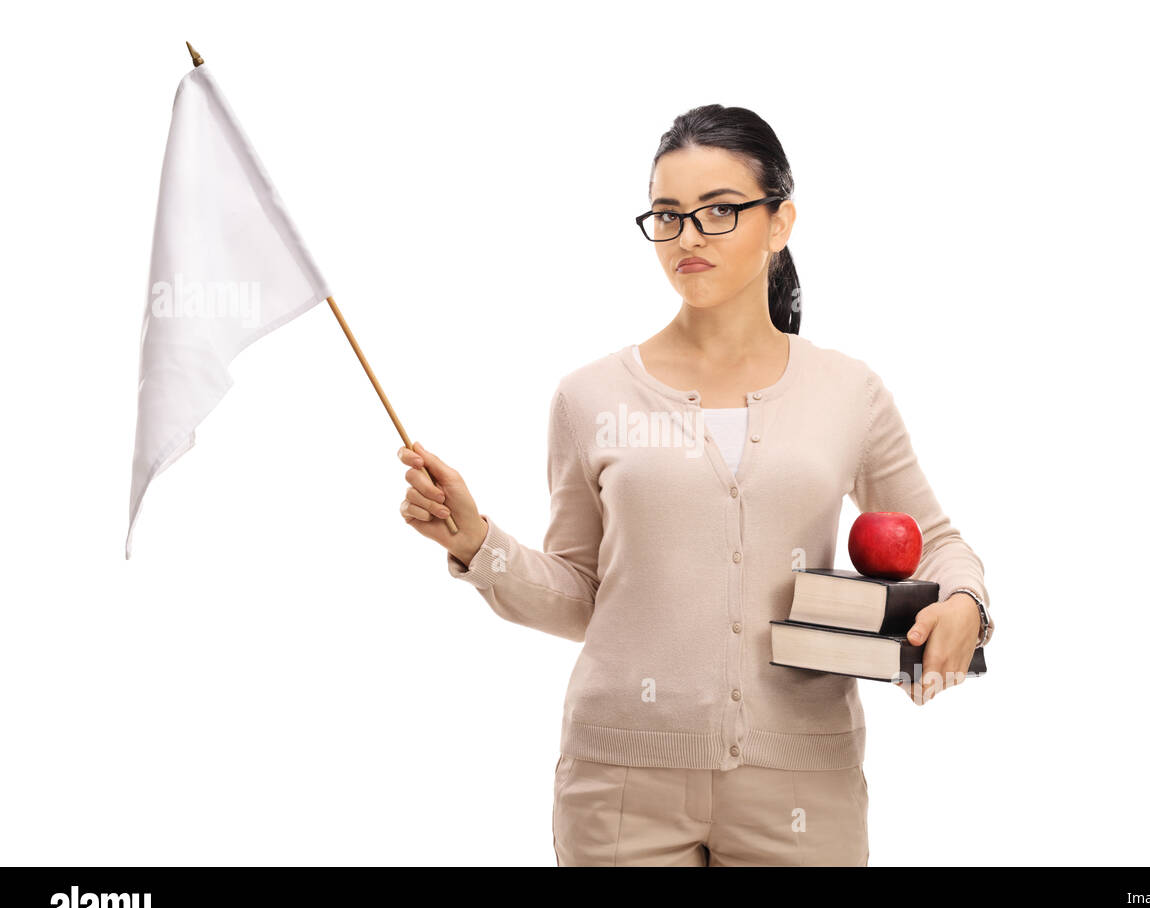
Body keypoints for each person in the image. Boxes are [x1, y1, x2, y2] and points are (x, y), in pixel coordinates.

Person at [397, 104, 994, 866]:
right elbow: (584, 595)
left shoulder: (848, 392)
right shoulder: (590, 398)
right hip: (619, 785)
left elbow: (937, 541)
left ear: (780, 222)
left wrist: (968, 605)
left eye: (720, 212)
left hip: (804, 782)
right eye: (669, 215)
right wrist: (477, 543)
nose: (688, 238)